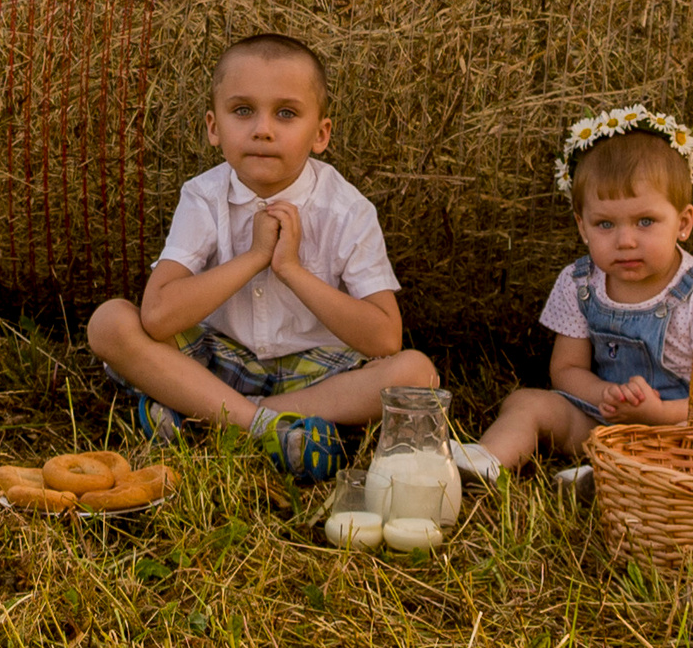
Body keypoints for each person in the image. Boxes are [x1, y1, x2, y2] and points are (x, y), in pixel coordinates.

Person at [85, 33, 438, 484]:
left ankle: (206, 415)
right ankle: (269, 431)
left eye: (286, 113)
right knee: (110, 323)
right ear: (214, 127)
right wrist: (253, 257)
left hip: (316, 375)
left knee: (416, 373)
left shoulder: (348, 210)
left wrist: (289, 269)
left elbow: (385, 338)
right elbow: (157, 316)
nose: (263, 129)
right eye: (243, 110)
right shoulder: (203, 197)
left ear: (320, 134)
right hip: (216, 358)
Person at [449, 106, 693, 483]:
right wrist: (611, 396)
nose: (625, 240)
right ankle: (482, 463)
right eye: (605, 224)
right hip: (605, 419)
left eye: (645, 221)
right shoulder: (580, 283)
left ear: (684, 223)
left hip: (681, 430)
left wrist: (657, 414)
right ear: (582, 226)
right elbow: (566, 370)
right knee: (527, 403)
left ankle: (611, 476)